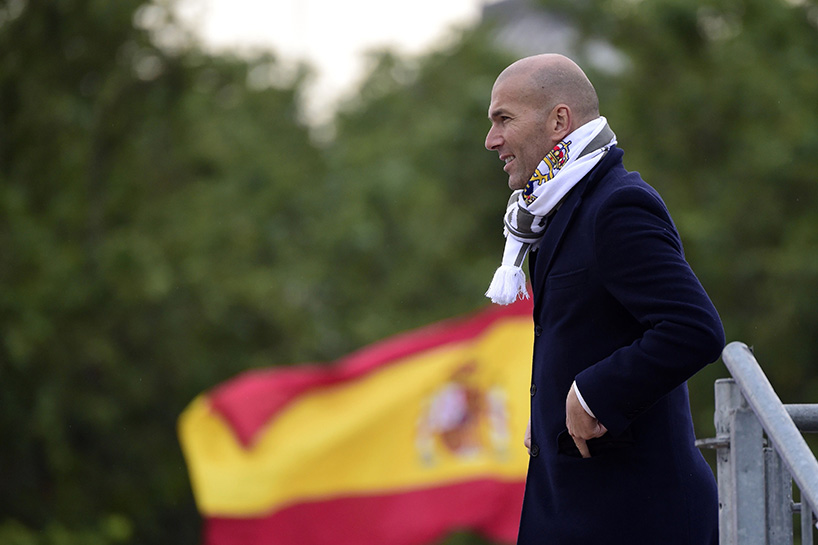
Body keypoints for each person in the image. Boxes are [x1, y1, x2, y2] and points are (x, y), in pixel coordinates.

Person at [483, 54, 725, 544]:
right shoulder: (557, 210)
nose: (492, 139)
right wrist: (550, 409)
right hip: (582, 512)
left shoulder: (616, 205)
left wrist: (592, 393)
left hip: (635, 519)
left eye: (504, 119)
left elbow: (694, 329)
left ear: (559, 121)